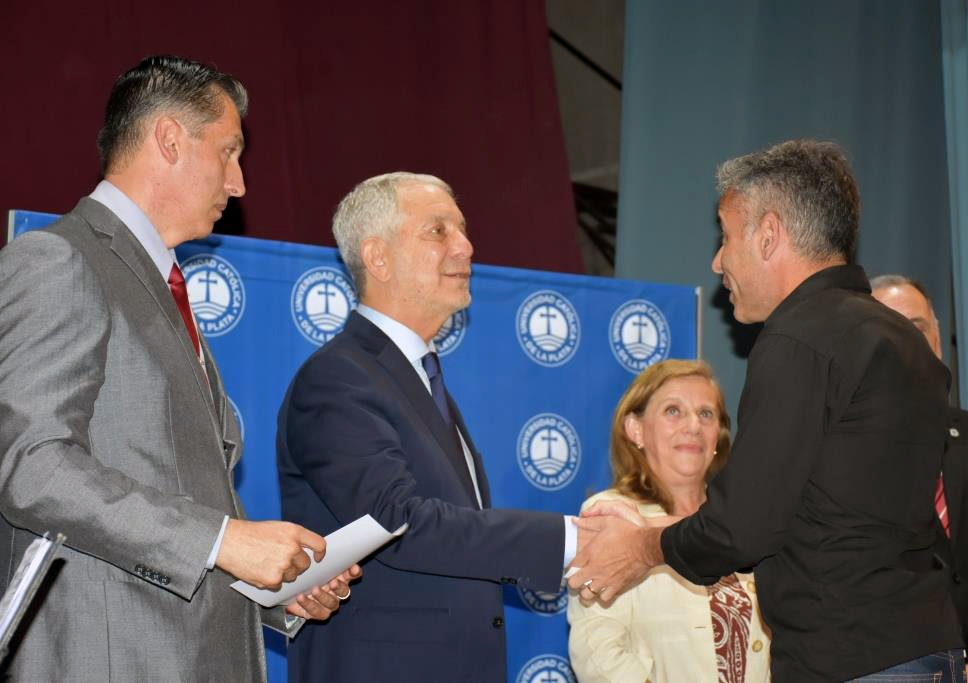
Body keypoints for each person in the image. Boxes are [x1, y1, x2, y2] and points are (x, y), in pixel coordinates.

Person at [0, 56, 355, 682]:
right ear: (169, 139)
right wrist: (225, 542)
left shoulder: (160, 287)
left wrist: (270, 586)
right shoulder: (59, 260)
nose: (240, 182)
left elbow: (179, 495)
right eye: (229, 151)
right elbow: (34, 466)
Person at [568, 139, 964, 680]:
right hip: (925, 649)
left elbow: (742, 528)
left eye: (725, 237)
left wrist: (639, 547)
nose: (718, 261)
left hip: (851, 658)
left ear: (769, 234)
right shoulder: (903, 341)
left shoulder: (800, 337)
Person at [277, 172, 580, 682]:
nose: (465, 247)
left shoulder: (417, 378)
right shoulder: (338, 377)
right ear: (377, 257)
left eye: (461, 230)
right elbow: (398, 523)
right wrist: (572, 540)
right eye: (438, 231)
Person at [567, 360, 770, 683]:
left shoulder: (745, 520)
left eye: (706, 414)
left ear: (718, 434)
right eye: (673, 411)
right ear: (636, 429)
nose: (693, 426)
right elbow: (596, 650)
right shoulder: (609, 515)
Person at [872, 274, 968, 683]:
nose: (907, 341)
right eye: (890, 328)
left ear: (938, 341)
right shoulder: (841, 456)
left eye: (918, 328)